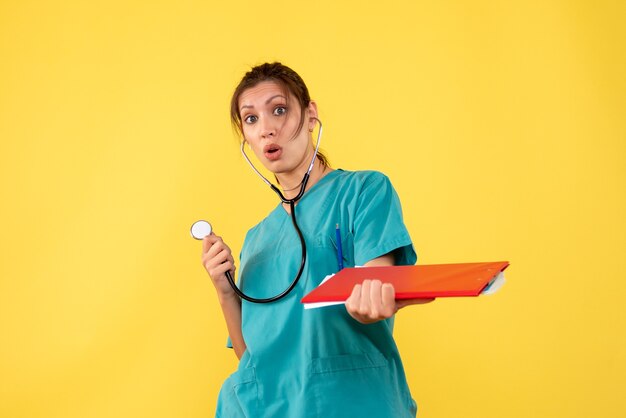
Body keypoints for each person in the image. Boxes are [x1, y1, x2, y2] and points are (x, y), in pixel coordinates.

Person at [201, 62, 432, 417]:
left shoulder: (363, 192)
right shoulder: (256, 239)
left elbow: (377, 283)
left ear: (310, 115)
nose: (266, 129)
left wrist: (372, 301)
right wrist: (224, 289)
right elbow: (252, 357)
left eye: (279, 110)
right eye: (251, 119)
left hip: (350, 403)